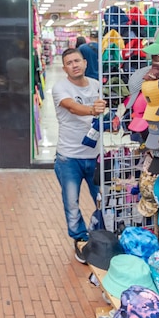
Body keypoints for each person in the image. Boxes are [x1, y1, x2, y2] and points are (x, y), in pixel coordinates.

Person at [52, 47, 107, 263]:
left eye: (77, 61)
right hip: (68, 158)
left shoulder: (96, 85)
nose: (74, 65)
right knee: (71, 203)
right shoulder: (60, 88)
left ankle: (103, 235)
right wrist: (93, 109)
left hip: (95, 156)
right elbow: (72, 107)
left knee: (102, 199)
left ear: (85, 62)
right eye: (69, 63)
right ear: (64, 68)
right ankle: (80, 239)